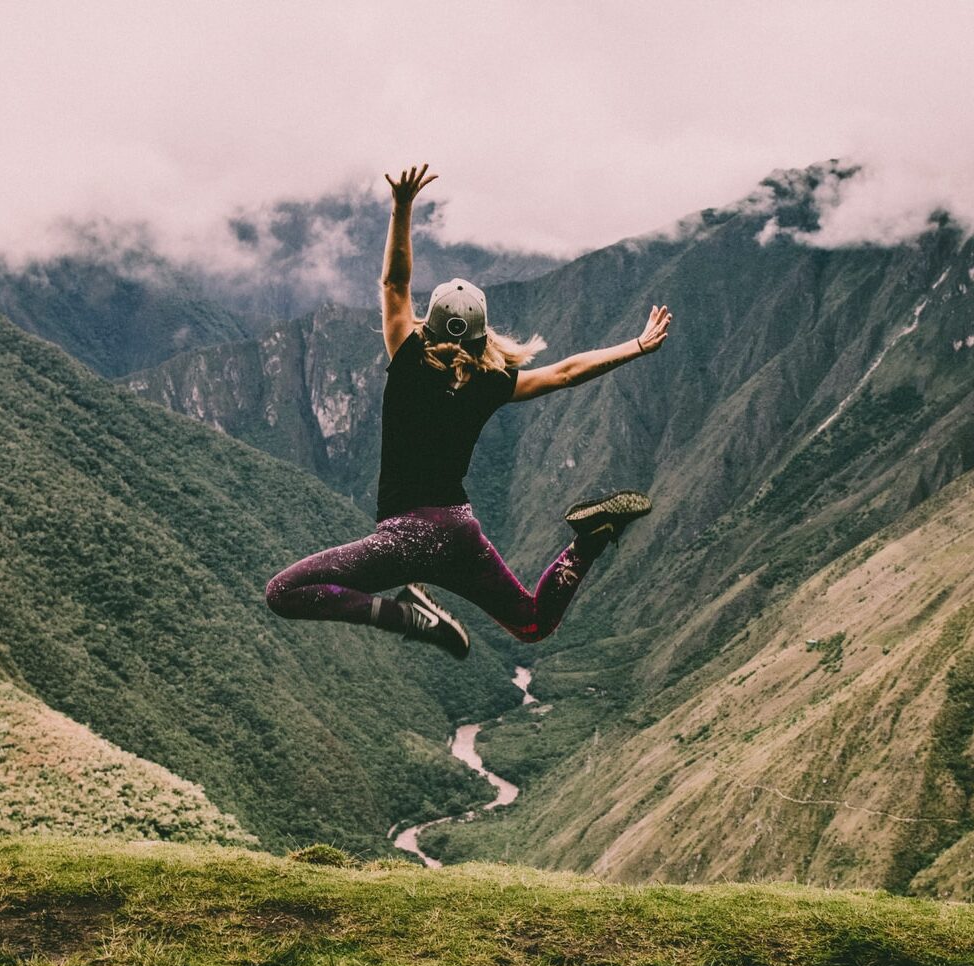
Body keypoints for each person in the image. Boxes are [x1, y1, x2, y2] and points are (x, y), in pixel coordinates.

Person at [264, 163, 672, 658]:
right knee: (532, 623)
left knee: (284, 593)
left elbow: (395, 283)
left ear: (428, 325)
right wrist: (636, 345)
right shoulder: (491, 381)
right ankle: (587, 542)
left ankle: (405, 616)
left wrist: (402, 206)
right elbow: (566, 372)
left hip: (405, 537)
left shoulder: (409, 357)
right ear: (483, 333)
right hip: (459, 532)